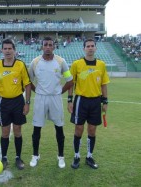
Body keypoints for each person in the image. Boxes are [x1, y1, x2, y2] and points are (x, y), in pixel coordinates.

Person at [28, 36, 73, 168]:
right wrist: (37, 91)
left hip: (55, 98)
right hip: (40, 98)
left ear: (54, 47)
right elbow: (28, 81)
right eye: (45, 44)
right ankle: (35, 155)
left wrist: (60, 91)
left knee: (59, 127)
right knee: (37, 128)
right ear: (42, 46)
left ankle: (61, 157)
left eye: (50, 45)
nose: (48, 47)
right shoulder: (35, 62)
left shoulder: (61, 61)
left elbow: (70, 80)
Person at [68, 38, 110, 169]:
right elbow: (71, 84)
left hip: (96, 101)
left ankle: (89, 156)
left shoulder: (101, 65)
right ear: (84, 48)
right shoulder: (76, 64)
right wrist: (70, 100)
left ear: (96, 48)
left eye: (92, 46)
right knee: (79, 129)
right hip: (81, 100)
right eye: (88, 46)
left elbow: (104, 84)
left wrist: (105, 101)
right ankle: (76, 156)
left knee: (92, 130)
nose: (90, 48)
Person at [0, 38, 31, 170]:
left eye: (10, 48)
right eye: (5, 48)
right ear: (1, 50)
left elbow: (27, 84)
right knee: (5, 132)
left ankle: (18, 157)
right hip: (3, 102)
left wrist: (27, 103)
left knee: (18, 131)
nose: (8, 51)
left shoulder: (20, 65)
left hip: (18, 101)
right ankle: (3, 158)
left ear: (14, 50)